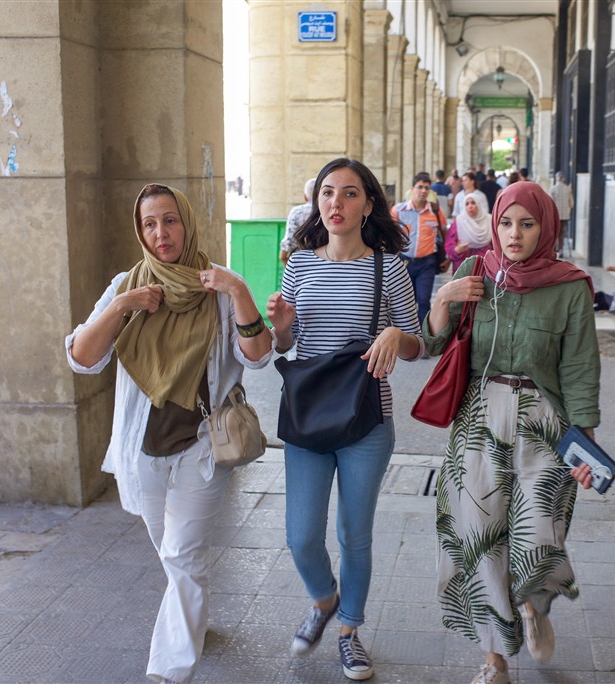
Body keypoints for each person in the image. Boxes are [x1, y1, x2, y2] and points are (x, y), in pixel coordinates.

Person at [65, 184, 272, 684]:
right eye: (150, 223)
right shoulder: (128, 285)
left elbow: (258, 355)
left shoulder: (219, 286)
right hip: (143, 450)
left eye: (171, 220)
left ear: (188, 223)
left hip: (202, 446)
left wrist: (239, 293)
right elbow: (82, 358)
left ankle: (169, 671)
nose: (161, 233)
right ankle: (193, 621)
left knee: (182, 553)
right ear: (140, 232)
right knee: (173, 552)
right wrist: (122, 306)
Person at [423, 181, 601, 684]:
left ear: (546, 228)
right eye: (505, 223)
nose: (514, 234)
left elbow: (580, 368)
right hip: (479, 418)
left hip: (545, 424)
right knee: (481, 539)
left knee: (540, 535)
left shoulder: (570, 287)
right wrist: (444, 296)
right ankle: (494, 659)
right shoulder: (475, 271)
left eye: (527, 224)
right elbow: (433, 341)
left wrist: (586, 445)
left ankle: (534, 604)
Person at [266, 158, 424, 681]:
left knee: (354, 533)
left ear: (368, 205)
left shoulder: (388, 268)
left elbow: (418, 344)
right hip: (308, 417)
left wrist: (394, 336)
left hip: (366, 420)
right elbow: (286, 344)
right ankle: (324, 598)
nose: (336, 202)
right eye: (328, 192)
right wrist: (282, 327)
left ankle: (349, 632)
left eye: (350, 193)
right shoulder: (299, 264)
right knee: (301, 536)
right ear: (317, 203)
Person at [392, 171, 448, 325]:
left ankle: (422, 334)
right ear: (412, 189)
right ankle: (405, 331)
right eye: (420, 187)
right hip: (404, 262)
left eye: (426, 188)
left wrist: (446, 256)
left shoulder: (435, 212)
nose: (423, 191)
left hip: (427, 262)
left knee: (424, 300)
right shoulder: (398, 210)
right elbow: (388, 233)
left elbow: (445, 233)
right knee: (404, 301)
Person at [445, 190, 491, 273]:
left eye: (473, 203)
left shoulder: (489, 220)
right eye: (467, 204)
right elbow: (449, 243)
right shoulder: (459, 222)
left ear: (479, 204)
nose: (470, 206)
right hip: (463, 265)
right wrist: (457, 250)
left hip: (485, 266)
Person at [280, 177, 317, 265]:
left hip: (301, 261)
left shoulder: (297, 212)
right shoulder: (328, 211)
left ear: (305, 197)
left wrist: (283, 257)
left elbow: (289, 241)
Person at [548, 171, 573, 256]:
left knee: (555, 232)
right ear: (563, 179)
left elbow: (550, 203)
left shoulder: (553, 189)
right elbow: (572, 204)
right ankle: (561, 249)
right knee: (561, 233)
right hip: (565, 215)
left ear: (556, 178)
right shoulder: (567, 189)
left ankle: (554, 250)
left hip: (555, 215)